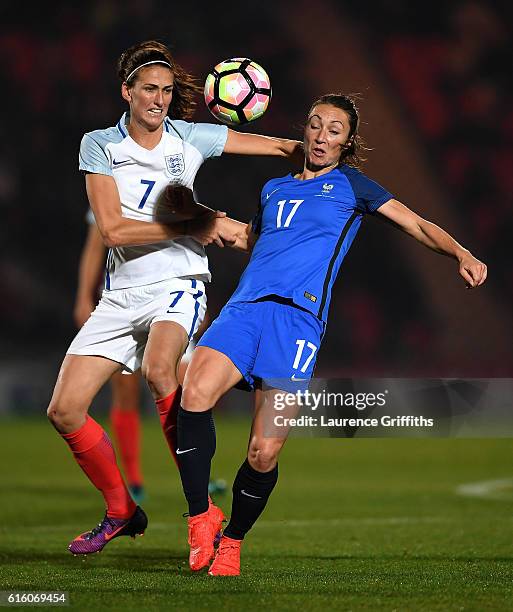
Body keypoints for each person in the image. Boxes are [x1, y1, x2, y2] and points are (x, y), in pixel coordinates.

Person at [173, 93, 488, 576]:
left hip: (297, 324)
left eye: (334, 130)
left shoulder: (352, 186)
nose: (321, 136)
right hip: (244, 311)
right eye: (315, 125)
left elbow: (418, 225)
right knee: (193, 393)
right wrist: (198, 220)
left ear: (347, 143)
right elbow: (253, 242)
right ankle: (200, 515)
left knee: (264, 450)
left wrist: (460, 252)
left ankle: (232, 540)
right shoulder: (274, 188)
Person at [46, 39, 302, 556]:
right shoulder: (99, 145)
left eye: (165, 90)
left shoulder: (190, 137)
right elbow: (113, 231)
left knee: (161, 370)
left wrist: (316, 154)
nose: (158, 99)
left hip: (179, 283)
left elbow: (276, 147)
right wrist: (197, 221)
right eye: (148, 89)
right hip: (121, 296)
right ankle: (121, 510)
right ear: (127, 91)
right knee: (65, 410)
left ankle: (199, 511)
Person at [73, 212, 220, 504]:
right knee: (125, 393)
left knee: (186, 388)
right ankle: (135, 481)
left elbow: (192, 234)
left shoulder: (175, 174)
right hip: (124, 299)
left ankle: (196, 477)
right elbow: (96, 244)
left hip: (168, 294)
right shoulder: (111, 184)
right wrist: (83, 297)